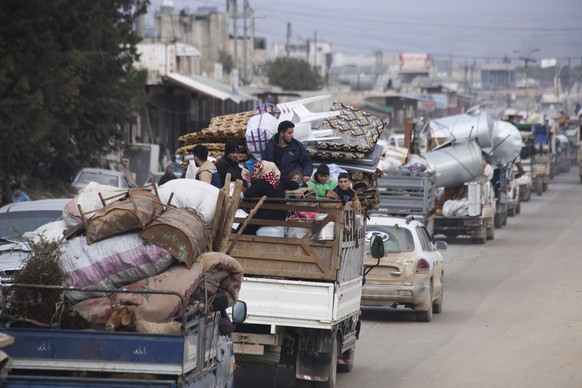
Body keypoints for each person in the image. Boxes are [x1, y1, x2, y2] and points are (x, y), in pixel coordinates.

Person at [241, 160, 298, 235]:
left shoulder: (262, 181)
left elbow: (248, 194)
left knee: (244, 225)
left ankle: (244, 243)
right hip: (281, 215)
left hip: (268, 215)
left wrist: (254, 182)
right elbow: (295, 185)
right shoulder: (280, 179)